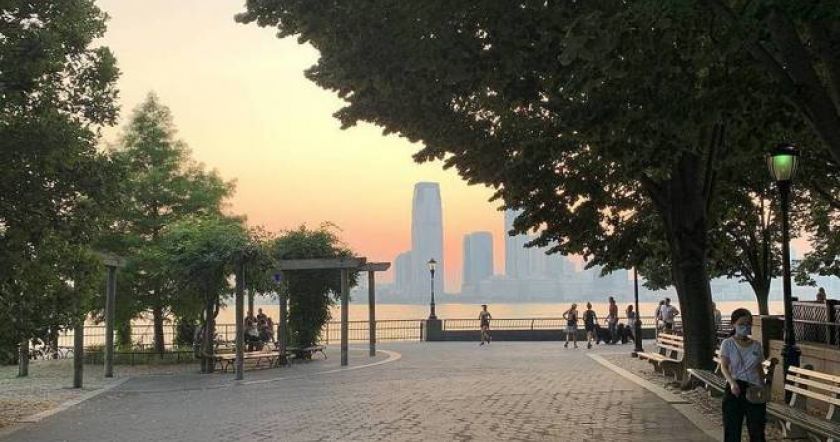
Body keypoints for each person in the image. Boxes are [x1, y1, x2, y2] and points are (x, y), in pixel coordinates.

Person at [720, 308, 768, 441]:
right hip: (736, 388)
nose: (745, 327)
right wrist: (732, 382)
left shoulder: (756, 345)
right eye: (741, 324)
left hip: (754, 388)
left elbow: (758, 368)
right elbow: (724, 366)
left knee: (757, 429)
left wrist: (763, 387)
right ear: (733, 324)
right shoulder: (728, 344)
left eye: (748, 324)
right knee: (732, 429)